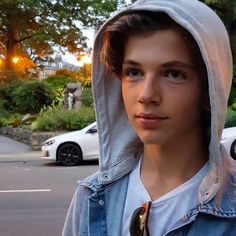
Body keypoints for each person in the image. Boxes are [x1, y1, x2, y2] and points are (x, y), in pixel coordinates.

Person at [62, 0, 236, 235]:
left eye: (173, 74)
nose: (146, 95)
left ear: (210, 91)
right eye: (133, 72)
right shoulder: (92, 197)